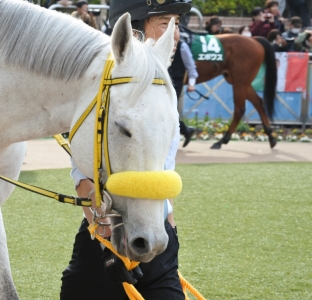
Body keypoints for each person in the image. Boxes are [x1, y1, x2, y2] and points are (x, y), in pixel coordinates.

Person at [60, 0, 192, 299]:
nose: (175, 34)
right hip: (106, 241)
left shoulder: (161, 91)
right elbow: (84, 179)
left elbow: (163, 171)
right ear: (133, 30)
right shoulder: (105, 91)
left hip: (158, 234)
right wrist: (108, 246)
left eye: (177, 24)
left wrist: (171, 233)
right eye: (164, 23)